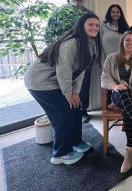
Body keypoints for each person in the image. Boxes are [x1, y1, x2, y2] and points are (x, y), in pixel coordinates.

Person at [24, 13, 101, 165]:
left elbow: (82, 70)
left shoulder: (90, 43)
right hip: (40, 81)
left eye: (97, 25)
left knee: (75, 106)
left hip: (55, 81)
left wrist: (75, 93)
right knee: (63, 113)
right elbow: (64, 70)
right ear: (81, 26)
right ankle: (60, 153)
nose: (94, 27)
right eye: (90, 24)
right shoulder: (71, 43)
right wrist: (67, 94)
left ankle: (75, 142)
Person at [101, 31, 132, 173]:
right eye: (127, 40)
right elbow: (105, 77)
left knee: (128, 106)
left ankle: (129, 150)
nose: (130, 43)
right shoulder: (112, 58)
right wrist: (114, 86)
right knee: (124, 93)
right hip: (118, 93)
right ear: (122, 42)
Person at [44, 0, 95, 123]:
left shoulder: (89, 14)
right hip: (64, 54)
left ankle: (82, 110)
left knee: (84, 83)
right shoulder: (59, 13)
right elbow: (49, 33)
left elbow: (94, 35)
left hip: (84, 54)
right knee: (63, 78)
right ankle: (67, 107)